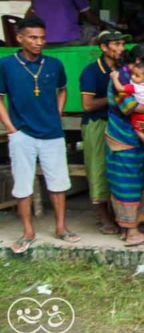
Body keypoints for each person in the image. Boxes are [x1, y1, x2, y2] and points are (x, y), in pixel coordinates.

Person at [0, 17, 81, 254]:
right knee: (23, 185)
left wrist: (57, 113)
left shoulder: (54, 64)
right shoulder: (7, 64)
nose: (39, 42)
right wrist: (11, 129)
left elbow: (63, 89)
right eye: (33, 38)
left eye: (42, 38)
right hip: (22, 134)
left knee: (58, 182)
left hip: (52, 133)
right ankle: (28, 232)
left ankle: (61, 227)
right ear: (20, 38)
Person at [106, 44, 144, 246]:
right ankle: (131, 232)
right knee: (126, 182)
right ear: (138, 61)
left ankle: (129, 228)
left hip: (133, 138)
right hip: (122, 138)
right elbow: (129, 107)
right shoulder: (120, 78)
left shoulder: (136, 78)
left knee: (137, 179)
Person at [79, 30, 130, 235]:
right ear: (104, 47)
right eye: (116, 44)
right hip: (97, 123)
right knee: (98, 167)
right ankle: (103, 216)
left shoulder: (124, 69)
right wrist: (114, 98)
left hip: (118, 123)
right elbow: (87, 105)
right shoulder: (91, 72)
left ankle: (121, 215)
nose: (121, 48)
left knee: (120, 169)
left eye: (122, 44)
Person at [110, 61, 144, 155]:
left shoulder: (136, 87)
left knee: (138, 130)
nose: (132, 77)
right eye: (132, 74)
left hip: (140, 112)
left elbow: (120, 89)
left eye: (137, 76)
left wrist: (114, 78)